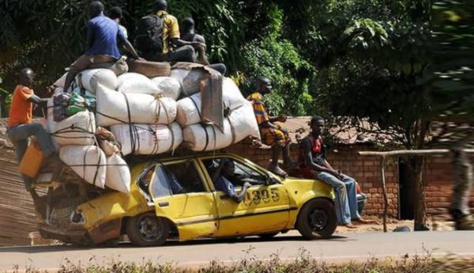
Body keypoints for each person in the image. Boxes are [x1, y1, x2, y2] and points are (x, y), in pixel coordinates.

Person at [299, 116, 371, 228]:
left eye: (322, 126)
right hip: (312, 171)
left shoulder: (320, 139)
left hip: (322, 169)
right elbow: (310, 164)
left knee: (351, 182)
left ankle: (354, 215)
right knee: (340, 186)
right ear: (312, 126)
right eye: (318, 125)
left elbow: (322, 159)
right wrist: (331, 172)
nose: (320, 128)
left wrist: (333, 171)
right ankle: (344, 220)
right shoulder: (307, 141)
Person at [62, 1, 141, 92]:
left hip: (97, 55)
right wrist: (137, 56)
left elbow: (89, 43)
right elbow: (125, 42)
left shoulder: (92, 22)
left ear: (94, 11)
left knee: (73, 68)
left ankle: (64, 92)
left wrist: (86, 59)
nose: (89, 13)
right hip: (113, 57)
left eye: (90, 10)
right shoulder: (114, 23)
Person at [7, 68, 56, 191]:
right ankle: (50, 155)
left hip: (18, 131)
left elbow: (37, 104)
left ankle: (30, 187)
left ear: (32, 79)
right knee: (38, 128)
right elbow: (39, 101)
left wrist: (49, 96)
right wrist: (56, 100)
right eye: (23, 78)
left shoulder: (29, 91)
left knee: (23, 161)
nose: (25, 80)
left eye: (28, 78)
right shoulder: (21, 89)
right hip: (16, 129)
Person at [247, 76, 294, 177]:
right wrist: (277, 127)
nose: (271, 87)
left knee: (284, 130)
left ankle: (287, 160)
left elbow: (264, 118)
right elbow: (263, 122)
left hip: (259, 125)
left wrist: (278, 118)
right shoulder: (257, 98)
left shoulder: (256, 97)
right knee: (279, 135)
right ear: (262, 86)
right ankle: (274, 165)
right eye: (269, 85)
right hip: (255, 129)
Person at [450, 147, 474, 230]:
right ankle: (459, 156)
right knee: (465, 183)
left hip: (458, 211)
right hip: (460, 211)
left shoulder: (458, 187)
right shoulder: (462, 186)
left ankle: (459, 157)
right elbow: (466, 175)